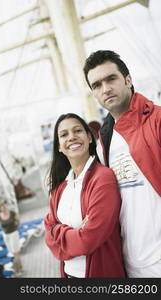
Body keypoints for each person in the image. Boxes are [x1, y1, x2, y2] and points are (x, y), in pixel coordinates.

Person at [83, 50, 161, 277]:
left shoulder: (156, 121)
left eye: (111, 79)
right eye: (96, 85)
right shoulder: (104, 140)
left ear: (128, 80)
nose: (105, 88)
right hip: (131, 263)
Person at [44, 113, 126, 278]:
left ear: (89, 138)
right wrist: (73, 232)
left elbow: (88, 240)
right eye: (64, 134)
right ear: (59, 146)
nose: (72, 137)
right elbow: (48, 236)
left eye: (77, 131)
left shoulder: (102, 179)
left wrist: (57, 231)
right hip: (68, 275)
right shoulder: (60, 188)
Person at [0, 202, 23, 277]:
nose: (3, 207)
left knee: (16, 253)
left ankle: (18, 271)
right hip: (6, 236)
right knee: (12, 252)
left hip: (13, 234)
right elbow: (1, 225)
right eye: (1, 206)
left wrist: (16, 228)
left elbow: (18, 221)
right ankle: (21, 268)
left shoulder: (12, 213)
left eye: (4, 205)